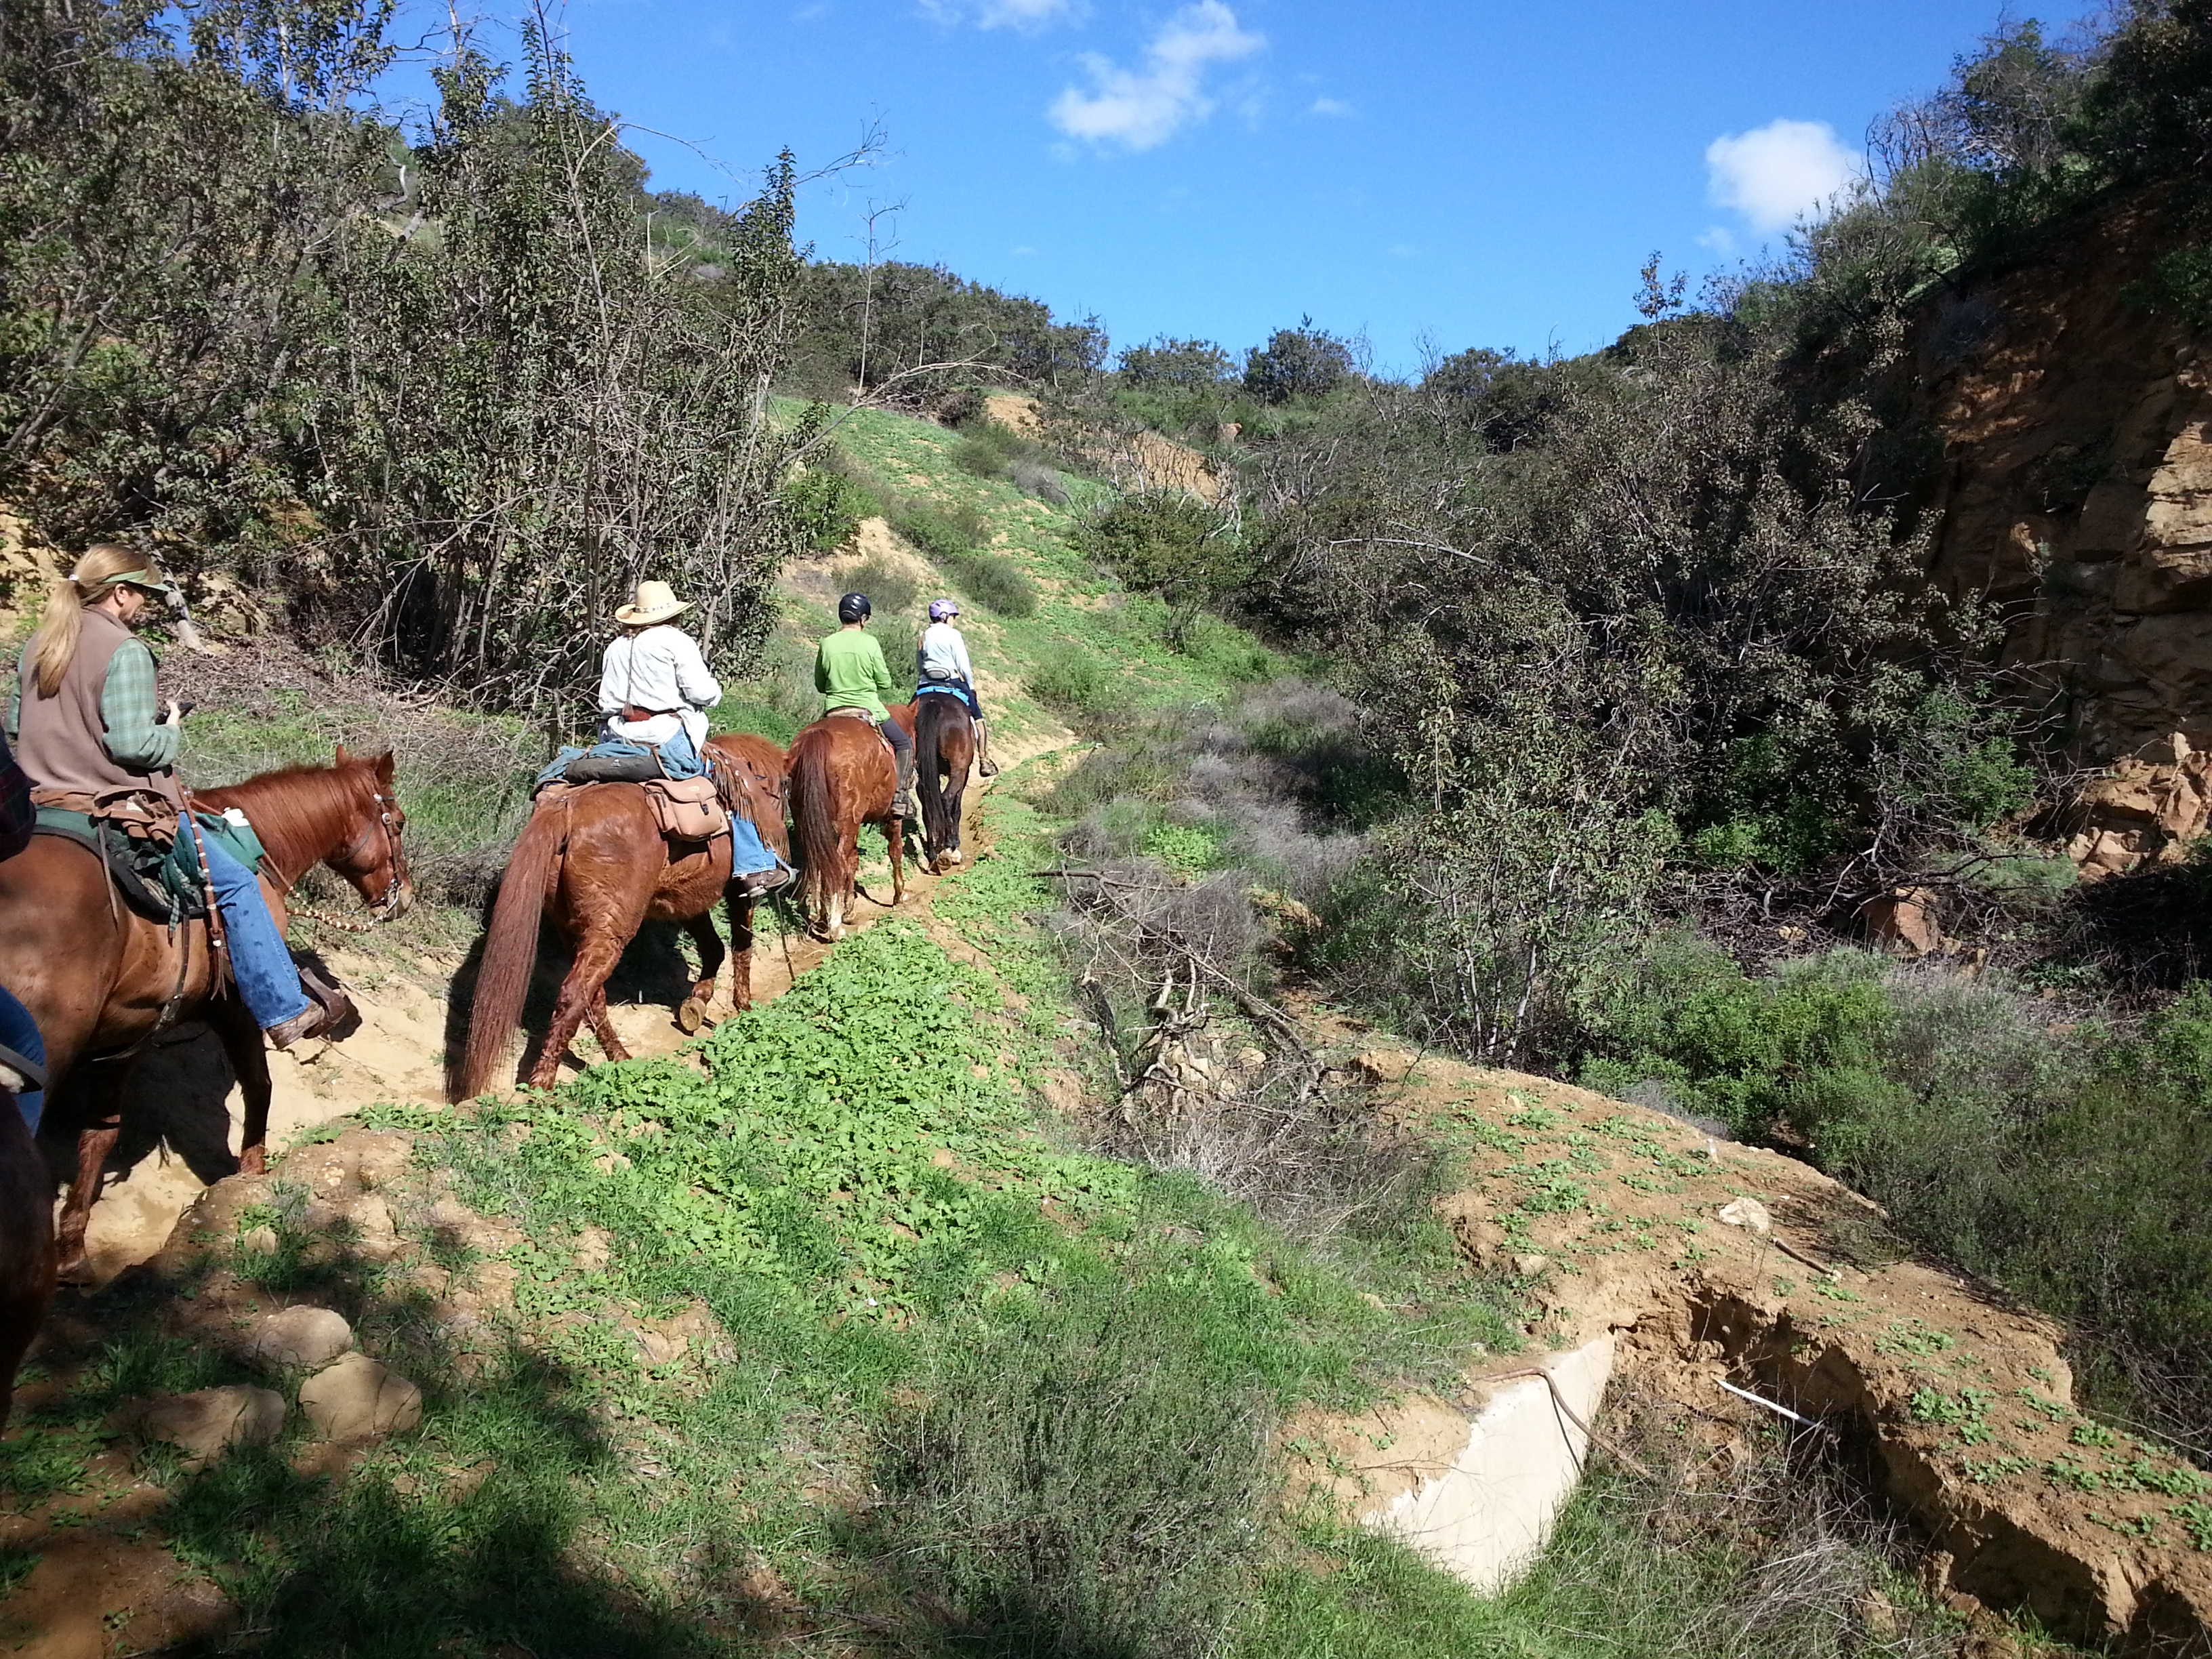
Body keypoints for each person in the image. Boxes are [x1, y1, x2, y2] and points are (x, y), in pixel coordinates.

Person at [5, 545, 347, 1049]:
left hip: (35, 803)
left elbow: (16, 725)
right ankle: (284, 1009)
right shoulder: (125, 649)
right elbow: (131, 745)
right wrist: (170, 728)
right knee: (234, 883)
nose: (144, 604)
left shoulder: (40, 642)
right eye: (142, 594)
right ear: (120, 593)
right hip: (110, 804)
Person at [598, 579, 722, 767]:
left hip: (616, 735)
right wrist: (714, 692)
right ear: (673, 615)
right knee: (718, 778)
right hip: (666, 736)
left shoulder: (615, 647)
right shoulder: (676, 640)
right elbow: (700, 693)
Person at [815, 592, 913, 818]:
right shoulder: (870, 643)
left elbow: (820, 684)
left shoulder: (827, 643)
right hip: (869, 709)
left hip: (834, 710)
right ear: (864, 619)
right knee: (903, 744)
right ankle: (900, 797)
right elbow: (884, 681)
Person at [916, 598, 998, 777]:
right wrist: (971, 686)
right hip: (951, 681)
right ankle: (984, 759)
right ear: (944, 617)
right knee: (978, 718)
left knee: (909, 717)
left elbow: (920, 665)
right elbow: (964, 667)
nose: (954, 620)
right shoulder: (953, 635)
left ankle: (908, 767)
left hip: (926, 683)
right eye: (953, 616)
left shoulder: (924, 635)